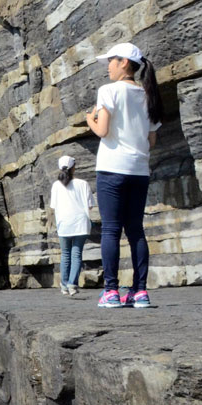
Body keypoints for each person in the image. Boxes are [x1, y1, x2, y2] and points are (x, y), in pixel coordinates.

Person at [85, 42, 163, 309]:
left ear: (124, 64)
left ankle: (111, 291)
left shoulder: (108, 91)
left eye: (111, 60)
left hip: (111, 168)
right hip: (139, 170)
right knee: (135, 231)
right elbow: (151, 140)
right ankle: (140, 292)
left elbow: (103, 131)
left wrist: (90, 120)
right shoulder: (148, 93)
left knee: (110, 229)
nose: (108, 65)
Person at [50, 155, 92, 296]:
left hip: (64, 223)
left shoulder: (56, 185)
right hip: (81, 222)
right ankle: (72, 284)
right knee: (76, 254)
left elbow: (53, 206)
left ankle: (64, 284)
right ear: (74, 167)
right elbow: (90, 205)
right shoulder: (83, 183)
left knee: (65, 254)